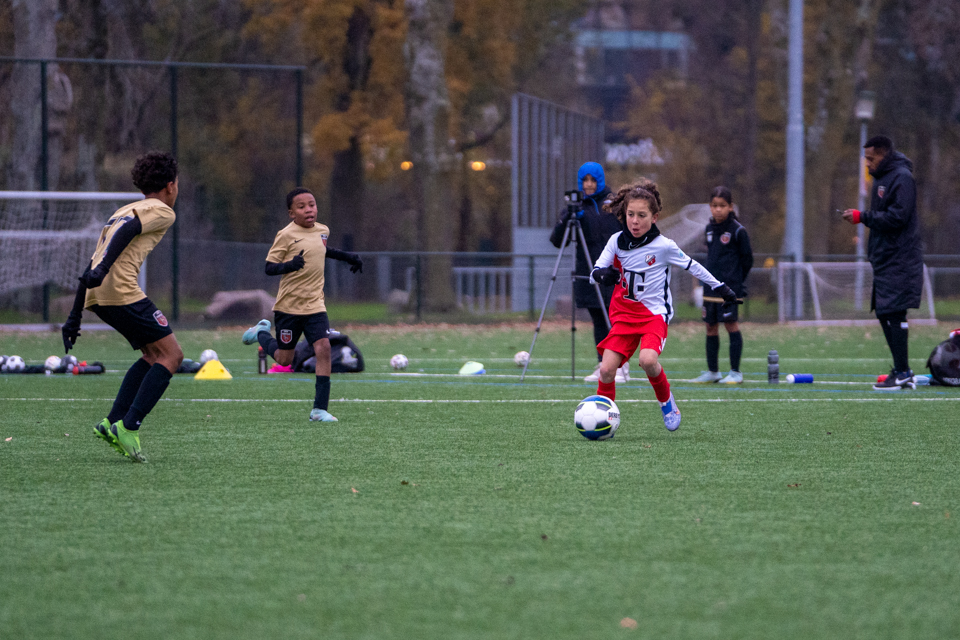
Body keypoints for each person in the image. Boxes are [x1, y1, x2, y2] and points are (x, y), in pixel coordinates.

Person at [61, 151, 183, 463]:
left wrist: (74, 315)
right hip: (119, 289)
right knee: (172, 355)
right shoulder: (161, 210)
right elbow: (122, 241)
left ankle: (111, 423)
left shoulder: (124, 210)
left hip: (97, 294)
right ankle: (129, 426)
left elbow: (94, 258)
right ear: (170, 186)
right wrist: (102, 273)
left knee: (152, 354)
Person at [590, 179, 738, 431]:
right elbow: (595, 270)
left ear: (655, 217)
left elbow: (693, 265)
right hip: (624, 317)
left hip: (653, 316)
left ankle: (667, 401)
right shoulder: (616, 241)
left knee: (648, 360)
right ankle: (603, 419)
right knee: (605, 369)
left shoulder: (663, 246)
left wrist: (721, 287)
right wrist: (603, 275)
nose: (635, 221)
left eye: (641, 215)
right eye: (630, 215)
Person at [241, 187, 363, 421]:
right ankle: (261, 333)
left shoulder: (323, 230)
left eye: (312, 204)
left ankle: (319, 409)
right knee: (284, 359)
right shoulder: (285, 235)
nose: (309, 210)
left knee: (324, 348)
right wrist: (290, 265)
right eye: (302, 206)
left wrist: (349, 257)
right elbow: (269, 267)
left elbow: (322, 251)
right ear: (291, 213)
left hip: (315, 306)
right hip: (288, 307)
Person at [842, 135, 923, 391]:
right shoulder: (882, 179)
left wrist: (862, 217)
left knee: (895, 312)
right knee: (884, 312)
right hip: (885, 258)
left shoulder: (902, 178)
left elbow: (898, 217)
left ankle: (903, 373)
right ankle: (902, 370)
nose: (867, 163)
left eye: (871, 158)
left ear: (885, 154)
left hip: (900, 258)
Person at [549, 162, 625, 382]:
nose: (589, 185)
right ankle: (603, 363)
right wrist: (569, 218)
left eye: (593, 180)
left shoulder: (613, 203)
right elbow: (556, 241)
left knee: (614, 317)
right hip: (588, 269)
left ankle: (620, 364)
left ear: (600, 180)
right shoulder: (575, 205)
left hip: (612, 269)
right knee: (598, 318)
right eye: (585, 181)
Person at [693, 186, 753, 384]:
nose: (718, 209)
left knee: (730, 325)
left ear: (730, 207)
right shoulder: (709, 229)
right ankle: (713, 371)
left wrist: (737, 281)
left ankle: (735, 372)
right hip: (711, 288)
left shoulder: (738, 231)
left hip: (730, 289)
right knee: (710, 326)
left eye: (722, 206)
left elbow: (747, 259)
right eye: (714, 205)